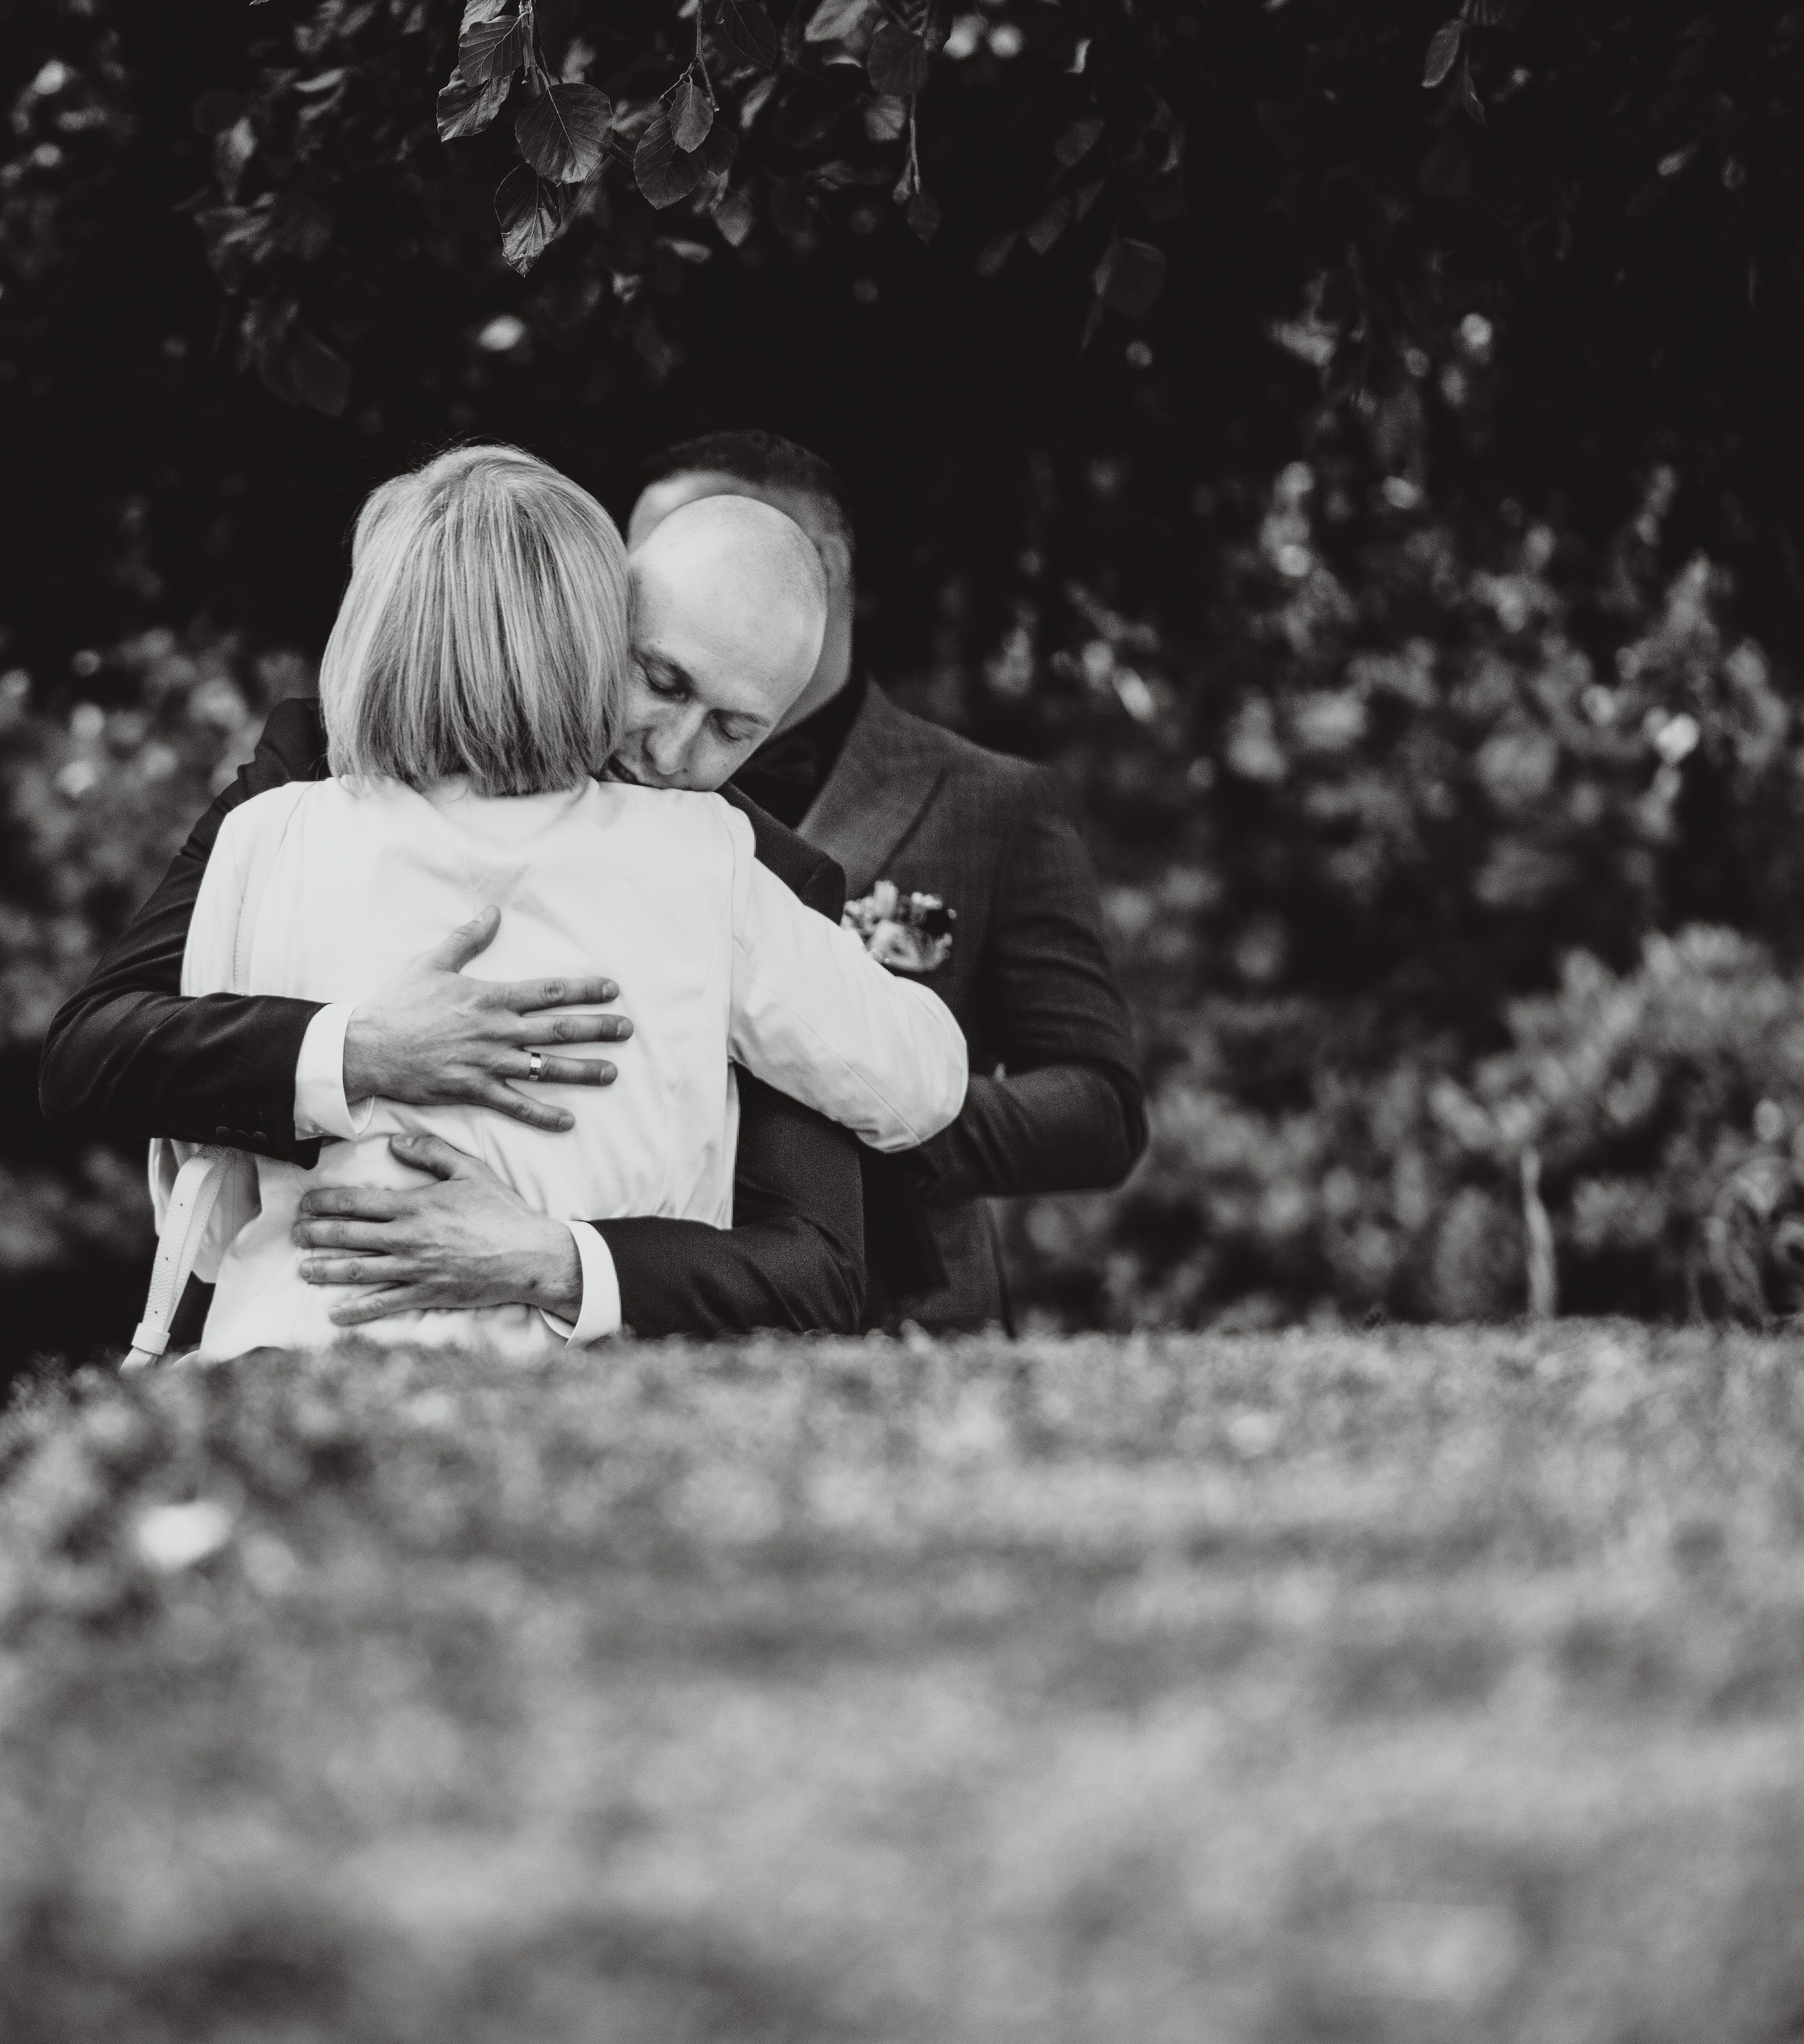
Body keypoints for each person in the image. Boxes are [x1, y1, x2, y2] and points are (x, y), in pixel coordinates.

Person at [141, 444, 966, 1358]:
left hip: (287, 1353)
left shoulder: (267, 836)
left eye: (735, 731)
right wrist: (356, 1051)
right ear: (588, 627)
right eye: (658, 682)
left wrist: (558, 1256)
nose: (668, 752)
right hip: (570, 1400)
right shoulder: (702, 861)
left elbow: (204, 1195)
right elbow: (921, 1082)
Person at [622, 431, 1147, 1329]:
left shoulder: (991, 802)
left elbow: (1098, 1109)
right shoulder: (598, 766)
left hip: (904, 1311)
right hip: (643, 1294)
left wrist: (866, 1099)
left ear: (816, 569)